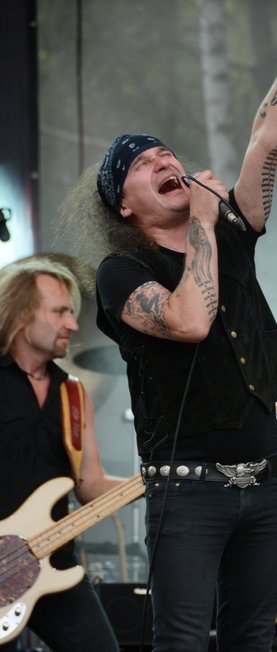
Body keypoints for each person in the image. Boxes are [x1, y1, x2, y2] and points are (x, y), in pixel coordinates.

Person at [66, 0, 277, 652]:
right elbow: (189, 320)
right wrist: (203, 223)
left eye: (167, 153)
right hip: (185, 494)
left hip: (266, 482)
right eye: (143, 164)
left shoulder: (229, 230)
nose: (164, 160)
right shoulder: (122, 272)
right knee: (183, 641)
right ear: (124, 205)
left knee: (253, 639)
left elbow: (266, 137)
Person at [0, 257, 123, 652]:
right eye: (59, 312)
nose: (72, 324)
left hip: (52, 563)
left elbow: (90, 485)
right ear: (21, 314)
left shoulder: (73, 394)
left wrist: (158, 481)